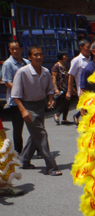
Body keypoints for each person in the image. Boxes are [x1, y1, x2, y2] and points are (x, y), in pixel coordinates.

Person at [11, 45, 62, 176]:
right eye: (35, 55)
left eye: (40, 54)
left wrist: (50, 98)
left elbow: (50, 89)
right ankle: (51, 166)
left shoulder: (45, 71)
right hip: (28, 106)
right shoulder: (22, 72)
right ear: (29, 57)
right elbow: (15, 95)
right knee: (41, 134)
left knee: (36, 135)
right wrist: (23, 110)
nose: (38, 57)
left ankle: (24, 161)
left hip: (40, 105)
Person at [1, 41, 30, 154]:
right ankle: (18, 151)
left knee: (33, 126)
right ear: (9, 50)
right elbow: (7, 82)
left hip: (28, 100)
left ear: (21, 49)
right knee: (18, 129)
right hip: (15, 102)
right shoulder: (8, 64)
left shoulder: (26, 62)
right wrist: (20, 91)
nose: (15, 51)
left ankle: (37, 149)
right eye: (12, 49)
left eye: (16, 48)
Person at [67, 39, 91, 125]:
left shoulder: (92, 60)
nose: (89, 49)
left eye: (90, 47)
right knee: (84, 111)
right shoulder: (76, 60)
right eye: (87, 47)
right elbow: (71, 75)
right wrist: (69, 91)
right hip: (82, 91)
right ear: (81, 47)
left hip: (93, 90)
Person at [51, 52, 72, 125]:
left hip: (66, 87)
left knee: (68, 102)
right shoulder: (56, 66)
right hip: (60, 88)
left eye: (66, 55)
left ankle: (64, 119)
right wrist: (55, 89)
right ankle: (57, 113)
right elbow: (53, 78)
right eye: (65, 55)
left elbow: (68, 78)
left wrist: (72, 88)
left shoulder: (65, 66)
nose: (66, 57)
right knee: (66, 102)